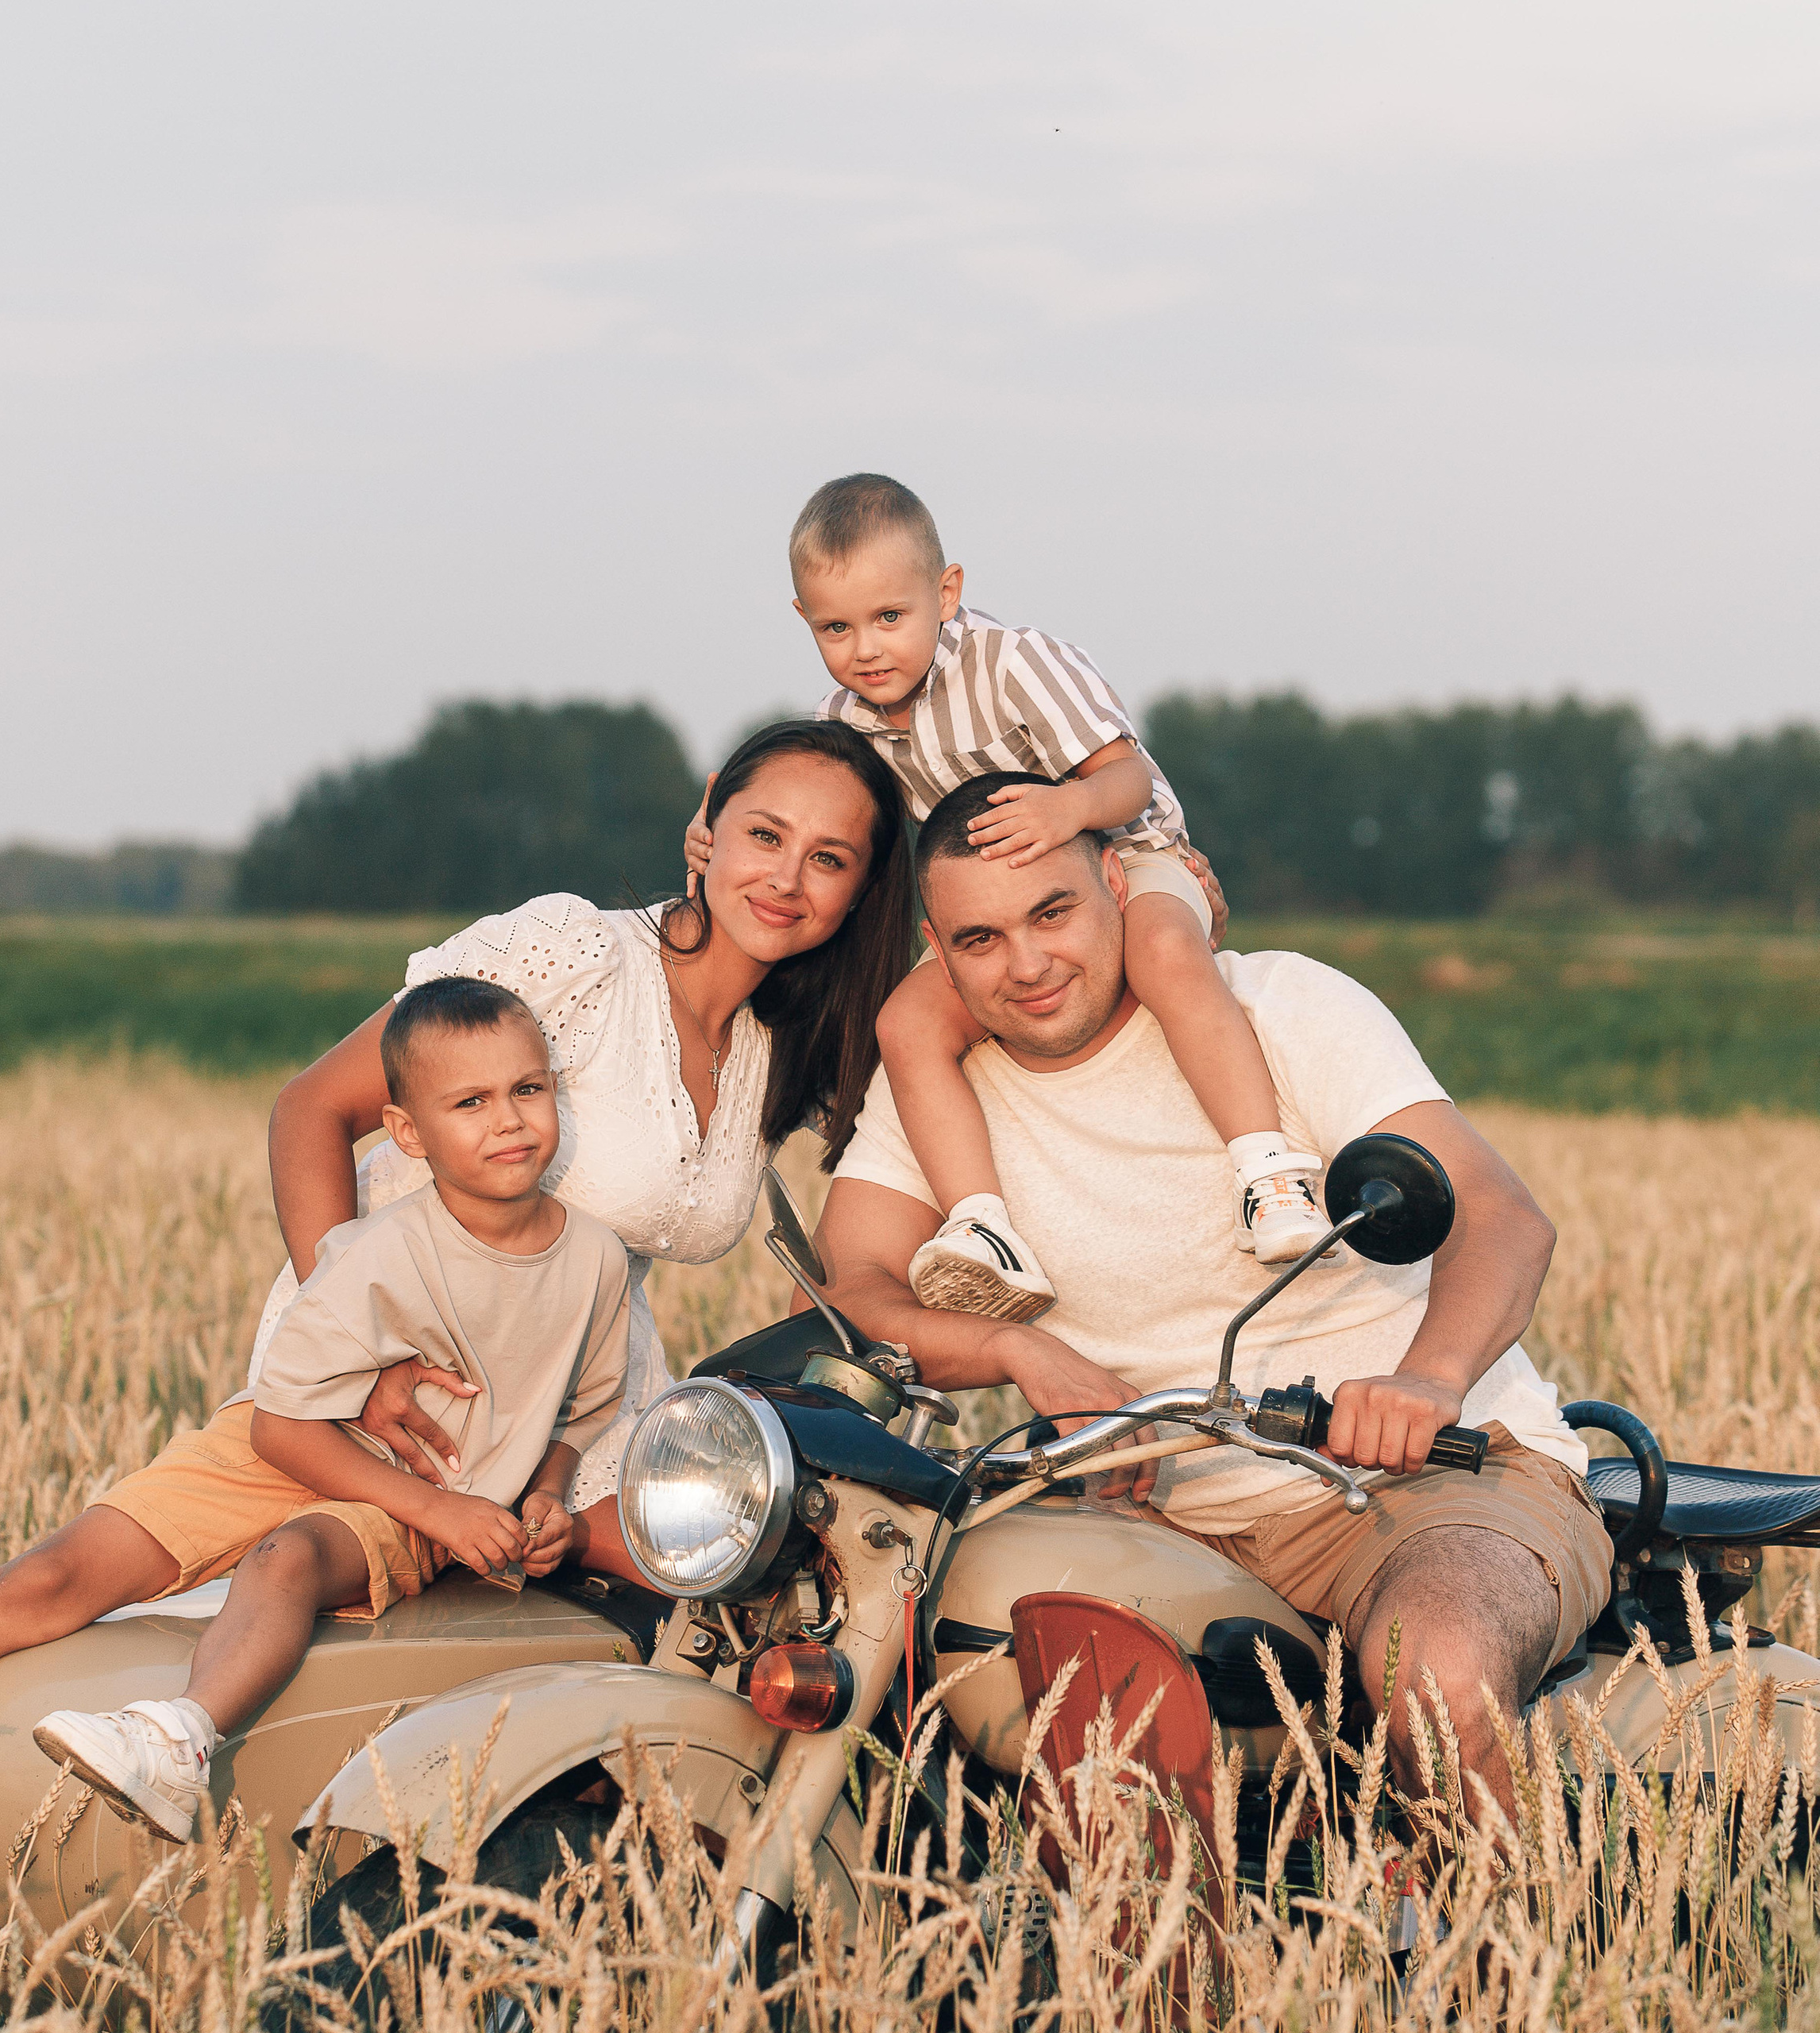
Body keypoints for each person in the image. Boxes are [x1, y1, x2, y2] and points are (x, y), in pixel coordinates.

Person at [808, 771, 1612, 1818]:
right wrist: (1020, 1354)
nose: (1029, 965)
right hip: (1151, 1515)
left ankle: (1514, 1971)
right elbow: (853, 1291)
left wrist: (1428, 1379)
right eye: (980, 940)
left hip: (1421, 1486)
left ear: (1115, 880)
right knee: (929, 1654)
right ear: (936, 944)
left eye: (1054, 913)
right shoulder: (938, 1091)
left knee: (1440, 1671)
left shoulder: (1279, 1006)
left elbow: (1504, 1217)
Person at [0, 980, 631, 1841]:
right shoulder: (378, 1250)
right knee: (53, 1575)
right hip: (294, 1449)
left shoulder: (594, 1259)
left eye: (528, 1090)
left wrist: (544, 1497)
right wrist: (441, 1507)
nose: (509, 1121)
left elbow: (584, 1403)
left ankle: (178, 1745)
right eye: (470, 1101)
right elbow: (279, 1426)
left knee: (287, 1559)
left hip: (414, 1499)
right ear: (407, 1132)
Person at [258, 718, 916, 1567]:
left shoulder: (789, 1048)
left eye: (829, 858)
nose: (785, 878)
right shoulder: (578, 954)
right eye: (764, 834)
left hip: (579, 1393)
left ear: (863, 889)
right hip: (412, 1362)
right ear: (708, 822)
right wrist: (356, 1344)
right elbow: (311, 1107)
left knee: (783, 1566)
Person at [688, 475, 1328, 1331]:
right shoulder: (844, 720)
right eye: (836, 628)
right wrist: (714, 828)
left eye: (889, 617)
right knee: (905, 1027)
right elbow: (804, 796)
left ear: (945, 592)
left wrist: (1067, 808)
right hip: (988, 917)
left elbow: (1125, 773)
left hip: (1127, 860)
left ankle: (1267, 1168)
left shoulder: (1016, 662)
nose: (866, 648)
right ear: (804, 617)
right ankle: (983, 1224)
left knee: (1167, 956)